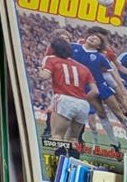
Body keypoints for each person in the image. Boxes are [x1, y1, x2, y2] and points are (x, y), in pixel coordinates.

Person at [38, 36, 95, 166]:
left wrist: (40, 69)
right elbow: (95, 91)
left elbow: (44, 76)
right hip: (83, 103)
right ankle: (75, 166)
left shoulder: (51, 59)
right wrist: (83, 99)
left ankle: (61, 165)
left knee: (57, 135)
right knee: (74, 138)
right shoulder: (83, 67)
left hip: (64, 99)